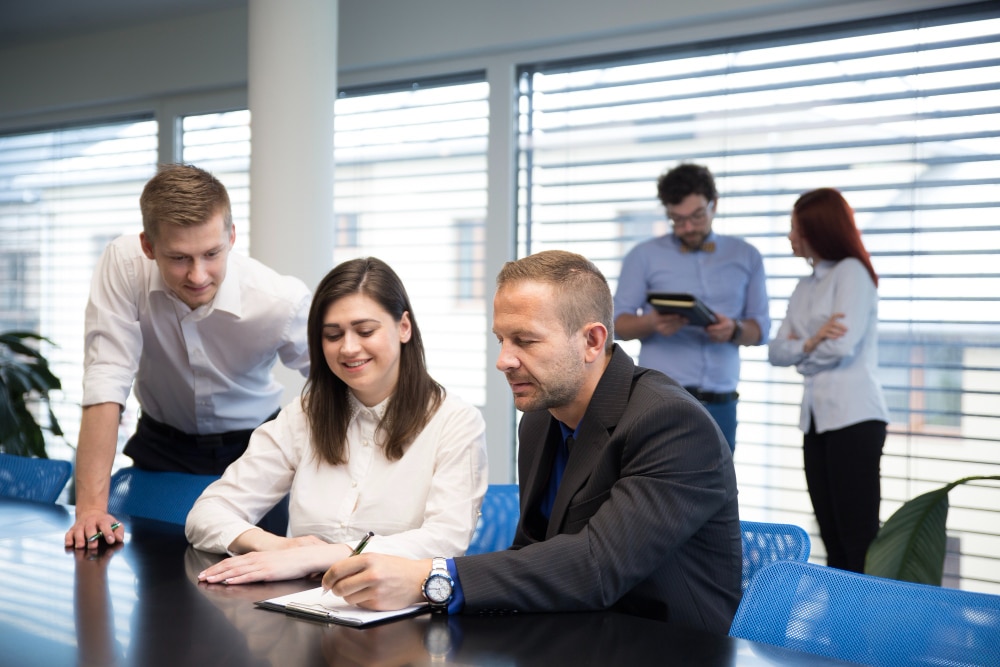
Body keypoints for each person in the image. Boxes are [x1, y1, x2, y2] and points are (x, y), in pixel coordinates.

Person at [321, 250, 742, 634]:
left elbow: (597, 567)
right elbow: (533, 550)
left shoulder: (671, 422)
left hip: (666, 645)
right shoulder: (541, 418)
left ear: (592, 341)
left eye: (525, 340)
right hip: (574, 633)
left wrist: (430, 577)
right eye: (501, 340)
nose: (504, 360)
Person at [186, 257, 488, 584]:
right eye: (332, 335)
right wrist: (277, 546)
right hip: (300, 608)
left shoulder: (456, 422)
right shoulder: (306, 414)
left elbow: (445, 540)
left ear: (404, 327)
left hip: (399, 614)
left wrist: (321, 556)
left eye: (365, 330)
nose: (348, 348)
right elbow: (206, 515)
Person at [65, 164, 312, 550]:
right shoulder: (124, 265)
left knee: (255, 588)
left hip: (255, 452)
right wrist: (91, 510)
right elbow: (107, 376)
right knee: (157, 589)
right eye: (179, 258)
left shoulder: (279, 301)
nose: (198, 276)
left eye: (212, 253)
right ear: (149, 246)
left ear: (231, 236)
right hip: (163, 446)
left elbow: (340, 383)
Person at [768, 188, 889, 573]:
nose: (790, 236)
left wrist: (802, 351)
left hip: (855, 419)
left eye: (795, 228)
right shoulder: (804, 287)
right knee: (831, 537)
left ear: (818, 230)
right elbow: (775, 352)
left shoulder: (852, 273)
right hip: (816, 420)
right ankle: (842, 627)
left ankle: (864, 630)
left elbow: (842, 347)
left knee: (857, 538)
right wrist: (815, 339)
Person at [613, 163, 770, 451]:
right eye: (677, 219)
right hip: (659, 400)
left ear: (714, 204)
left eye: (696, 216)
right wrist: (652, 323)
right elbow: (616, 325)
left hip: (721, 402)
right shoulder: (643, 256)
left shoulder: (746, 255)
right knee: (656, 489)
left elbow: (760, 330)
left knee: (716, 492)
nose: (687, 227)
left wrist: (733, 329)